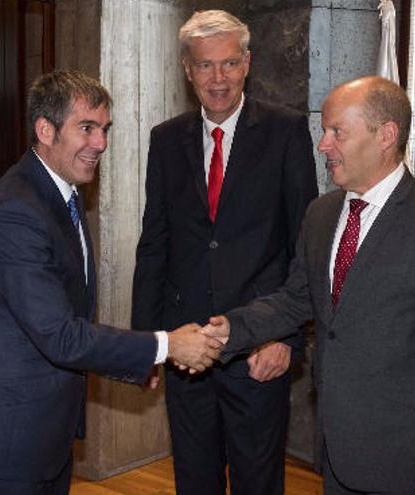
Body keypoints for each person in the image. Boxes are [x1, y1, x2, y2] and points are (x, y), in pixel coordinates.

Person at [203, 75, 415, 495]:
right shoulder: (321, 215)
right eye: (324, 131)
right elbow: (297, 300)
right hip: (338, 455)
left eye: (337, 132)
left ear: (386, 135)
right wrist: (232, 330)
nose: (323, 145)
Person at [0, 70, 223, 495]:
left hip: (43, 435)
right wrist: (165, 345)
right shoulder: (15, 212)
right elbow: (60, 336)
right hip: (8, 443)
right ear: (45, 130)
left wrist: (138, 359)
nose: (101, 143)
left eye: (104, 129)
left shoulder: (63, 195)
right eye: (87, 128)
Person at [130, 9, 318, 495]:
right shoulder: (165, 140)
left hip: (259, 350)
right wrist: (146, 346)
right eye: (206, 65)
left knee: (259, 483)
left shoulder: (287, 131)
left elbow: (305, 245)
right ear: (187, 69)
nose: (219, 78)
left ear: (248, 63)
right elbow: (155, 245)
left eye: (230, 63)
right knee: (194, 481)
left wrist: (286, 339)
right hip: (185, 351)